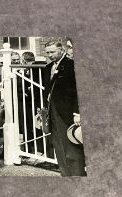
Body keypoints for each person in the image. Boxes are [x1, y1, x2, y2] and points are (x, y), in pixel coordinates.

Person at [43, 41, 86, 176]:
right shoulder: (48, 67)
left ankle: (77, 174)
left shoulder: (71, 65)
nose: (50, 55)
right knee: (58, 143)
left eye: (52, 52)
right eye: (48, 52)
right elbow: (47, 90)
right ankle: (65, 173)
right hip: (53, 111)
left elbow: (77, 91)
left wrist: (77, 113)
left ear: (61, 50)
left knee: (72, 144)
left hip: (68, 112)